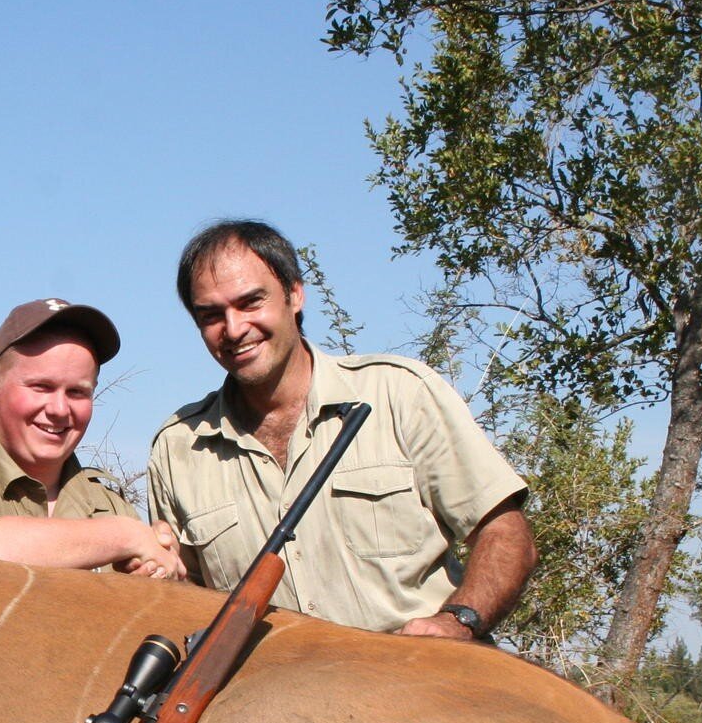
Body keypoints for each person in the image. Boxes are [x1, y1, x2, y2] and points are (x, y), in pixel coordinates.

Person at [148, 220, 535, 638]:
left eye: (251, 302)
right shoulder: (178, 448)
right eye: (211, 315)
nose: (235, 328)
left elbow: (506, 533)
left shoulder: (398, 393)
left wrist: (457, 622)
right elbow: (186, 600)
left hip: (423, 684)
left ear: (295, 294)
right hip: (272, 697)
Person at [0, 298, 186, 578]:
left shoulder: (109, 503)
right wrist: (127, 536)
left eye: (77, 392)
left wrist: (159, 563)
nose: (59, 410)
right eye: (41, 387)